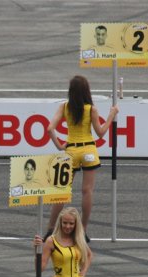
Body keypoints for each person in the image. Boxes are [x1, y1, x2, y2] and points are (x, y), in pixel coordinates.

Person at [45, 75, 119, 242]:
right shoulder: (91, 109)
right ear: (87, 91)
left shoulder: (64, 107)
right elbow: (101, 133)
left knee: (62, 191)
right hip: (88, 150)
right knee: (87, 191)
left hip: (71, 150)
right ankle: (83, 230)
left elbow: (50, 128)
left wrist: (59, 146)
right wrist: (112, 114)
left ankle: (50, 229)